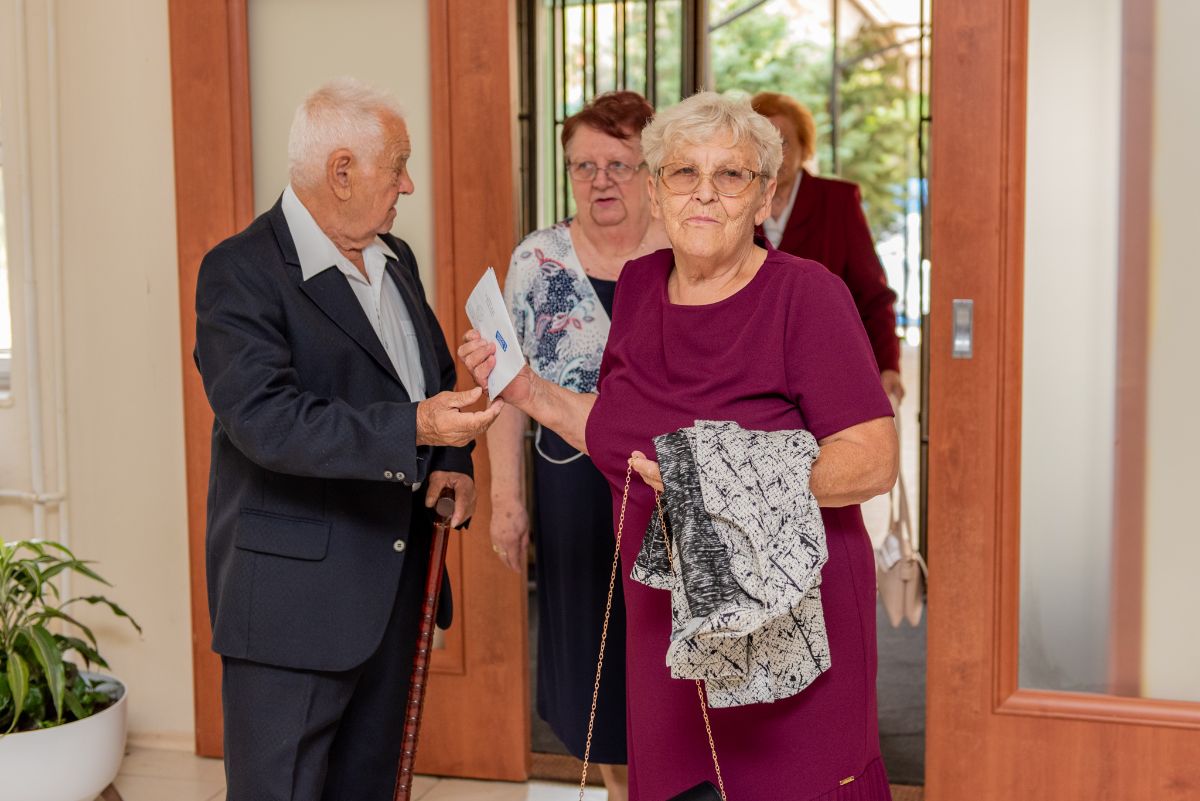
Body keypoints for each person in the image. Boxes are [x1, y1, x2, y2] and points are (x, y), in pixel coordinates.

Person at [461, 91, 898, 800]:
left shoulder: (806, 294)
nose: (704, 193)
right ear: (658, 190)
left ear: (764, 198)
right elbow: (619, 429)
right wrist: (526, 389)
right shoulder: (640, 286)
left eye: (731, 175)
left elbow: (873, 457)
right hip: (665, 615)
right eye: (683, 172)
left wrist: (721, 477)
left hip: (783, 617)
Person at [194, 78, 501, 801]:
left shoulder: (395, 257)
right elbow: (267, 421)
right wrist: (419, 428)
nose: (408, 184)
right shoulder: (239, 272)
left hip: (393, 591)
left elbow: (425, 376)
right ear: (341, 172)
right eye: (398, 166)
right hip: (293, 610)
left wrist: (451, 458)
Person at [490, 90, 666, 801]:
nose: (600, 181)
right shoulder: (537, 260)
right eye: (583, 166)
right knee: (598, 658)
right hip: (573, 486)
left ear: (651, 168)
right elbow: (505, 387)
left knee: (669, 651)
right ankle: (622, 790)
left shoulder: (685, 246)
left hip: (670, 487)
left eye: (619, 164)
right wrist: (506, 498)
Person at [751, 91, 904, 401]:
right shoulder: (736, 201)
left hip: (827, 365)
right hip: (754, 371)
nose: (775, 154)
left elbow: (874, 295)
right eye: (763, 144)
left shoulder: (837, 201)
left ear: (805, 147)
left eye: (784, 142)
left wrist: (889, 365)